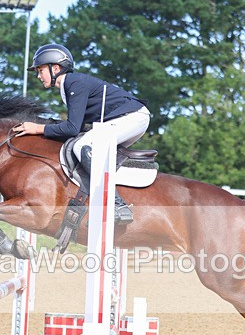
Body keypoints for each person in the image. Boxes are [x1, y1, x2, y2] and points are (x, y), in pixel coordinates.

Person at [12, 43, 150, 224]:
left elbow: (72, 128)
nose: (38, 76)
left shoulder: (73, 82)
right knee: (88, 147)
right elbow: (77, 126)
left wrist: (37, 128)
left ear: (55, 68)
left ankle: (117, 205)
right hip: (129, 118)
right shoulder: (69, 86)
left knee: (82, 146)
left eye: (40, 70)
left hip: (132, 117)